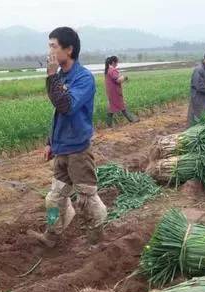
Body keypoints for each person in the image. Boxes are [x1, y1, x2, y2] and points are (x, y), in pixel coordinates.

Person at [28, 27, 107, 248]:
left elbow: (66, 106)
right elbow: (57, 113)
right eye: (49, 46)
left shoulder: (83, 78)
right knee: (54, 199)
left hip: (78, 152)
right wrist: (50, 142)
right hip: (61, 149)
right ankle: (52, 235)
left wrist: (51, 76)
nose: (49, 51)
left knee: (86, 200)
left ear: (69, 49)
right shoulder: (60, 76)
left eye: (53, 46)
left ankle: (97, 240)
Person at [104, 55, 138, 127]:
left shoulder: (107, 70)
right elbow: (118, 80)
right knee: (122, 107)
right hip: (115, 92)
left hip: (110, 92)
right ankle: (132, 119)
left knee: (111, 108)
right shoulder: (113, 70)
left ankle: (108, 125)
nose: (117, 64)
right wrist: (125, 77)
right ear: (113, 62)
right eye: (117, 62)